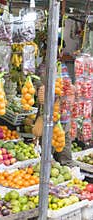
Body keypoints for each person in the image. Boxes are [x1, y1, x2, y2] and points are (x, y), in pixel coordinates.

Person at [37, 37, 75, 167]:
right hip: (50, 117)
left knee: (65, 149)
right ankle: (47, 173)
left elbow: (67, 87)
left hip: (64, 115)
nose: (59, 53)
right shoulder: (43, 69)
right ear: (47, 51)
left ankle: (67, 168)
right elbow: (42, 92)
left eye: (60, 50)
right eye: (56, 50)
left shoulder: (62, 66)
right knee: (48, 149)